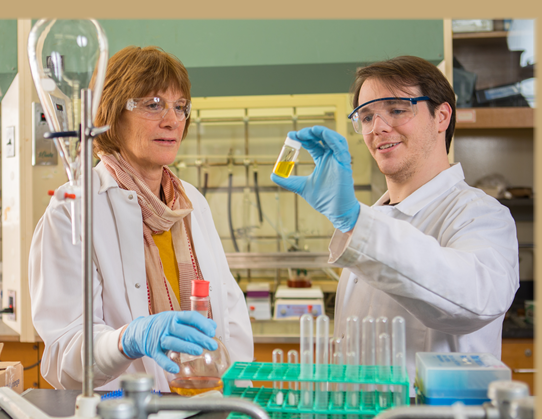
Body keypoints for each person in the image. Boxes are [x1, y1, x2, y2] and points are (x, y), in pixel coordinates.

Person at [271, 56, 519, 378]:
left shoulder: (479, 214)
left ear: (441, 116)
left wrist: (354, 221)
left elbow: (478, 299)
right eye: (366, 116)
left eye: (397, 109)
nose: (378, 128)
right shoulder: (373, 220)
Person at [29, 46, 254, 392]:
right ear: (111, 114)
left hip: (209, 409)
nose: (172, 120)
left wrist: (236, 389)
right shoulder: (73, 210)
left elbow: (230, 309)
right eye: (153, 104)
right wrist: (125, 341)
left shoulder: (191, 202)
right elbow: (64, 356)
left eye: (180, 107)